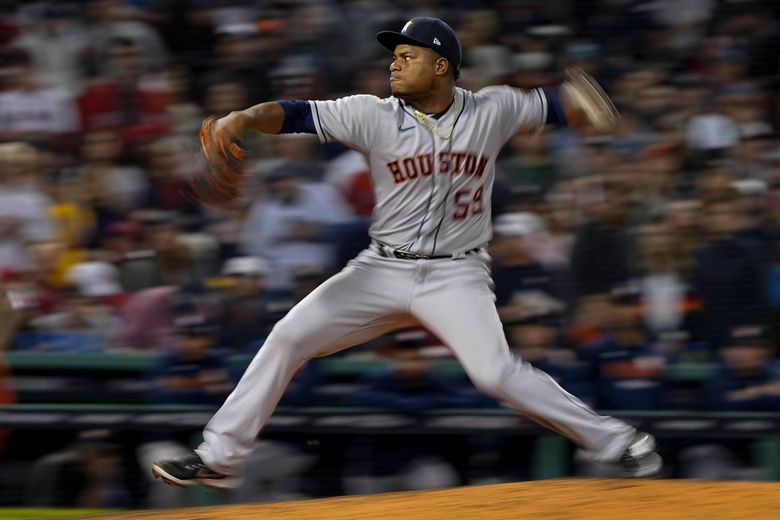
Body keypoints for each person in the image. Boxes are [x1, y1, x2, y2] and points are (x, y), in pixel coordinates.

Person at [152, 17, 662, 488]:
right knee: (287, 337)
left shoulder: (492, 108)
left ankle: (620, 443)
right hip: (380, 270)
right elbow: (291, 114)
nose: (393, 63)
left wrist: (589, 101)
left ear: (441, 65)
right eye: (392, 56)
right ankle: (220, 459)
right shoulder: (370, 114)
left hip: (455, 276)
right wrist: (240, 118)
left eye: (407, 55)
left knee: (494, 373)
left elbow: (560, 104)